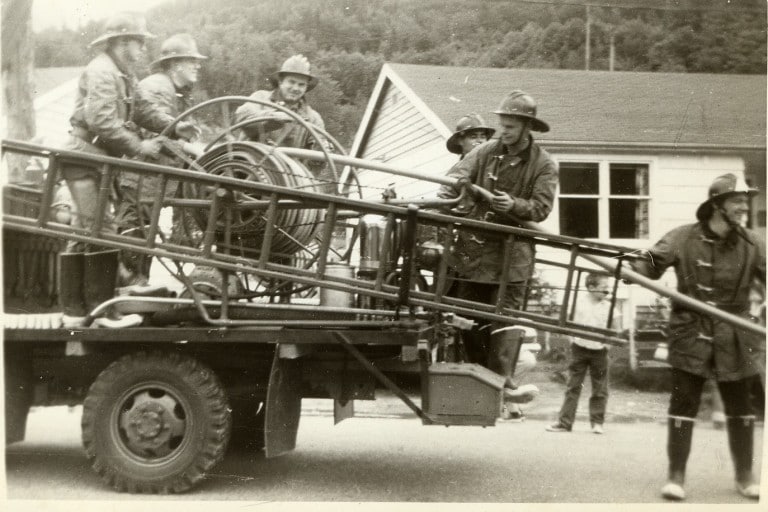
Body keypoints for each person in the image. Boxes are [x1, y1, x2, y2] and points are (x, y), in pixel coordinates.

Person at [630, 173, 765, 501]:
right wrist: (629, 270)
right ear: (717, 205)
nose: (743, 208)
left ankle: (745, 476)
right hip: (690, 330)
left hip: (735, 331)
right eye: (737, 202)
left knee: (740, 404)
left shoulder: (753, 244)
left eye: (745, 203)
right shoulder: (682, 238)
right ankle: (676, 476)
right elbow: (646, 265)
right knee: (684, 401)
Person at [59, 12, 198, 328]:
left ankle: (76, 313)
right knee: (101, 230)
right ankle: (101, 311)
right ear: (123, 42)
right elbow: (101, 120)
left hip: (95, 157)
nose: (143, 50)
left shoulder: (122, 75)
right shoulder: (102, 72)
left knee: (86, 232)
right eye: (139, 42)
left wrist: (175, 128)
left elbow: (143, 110)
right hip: (84, 156)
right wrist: (140, 147)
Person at [438, 90, 558, 400]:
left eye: (510, 127)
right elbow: (453, 180)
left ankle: (503, 382)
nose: (503, 132)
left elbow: (541, 208)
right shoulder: (486, 152)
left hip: (513, 253)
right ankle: (484, 383)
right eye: (501, 125)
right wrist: (459, 187)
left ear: (526, 127)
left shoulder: (544, 164)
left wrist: (515, 205)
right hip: (474, 252)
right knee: (469, 319)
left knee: (506, 320)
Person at [115, 33, 207, 288]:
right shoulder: (158, 87)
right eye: (192, 61)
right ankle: (130, 289)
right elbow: (153, 136)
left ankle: (136, 289)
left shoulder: (171, 90)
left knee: (142, 234)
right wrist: (194, 151)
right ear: (175, 64)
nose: (197, 65)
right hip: (143, 176)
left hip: (151, 177)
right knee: (136, 232)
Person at [234, 55, 333, 192]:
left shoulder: (313, 118)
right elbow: (242, 117)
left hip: (284, 185)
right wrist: (274, 118)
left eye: (301, 84)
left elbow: (316, 164)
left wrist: (322, 151)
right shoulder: (261, 98)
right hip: (245, 173)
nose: (295, 88)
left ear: (306, 88)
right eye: (291, 82)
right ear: (280, 82)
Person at [546, 273, 618, 434]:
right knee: (573, 386)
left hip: (600, 352)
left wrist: (607, 344)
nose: (607, 292)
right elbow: (567, 322)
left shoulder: (609, 306)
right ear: (591, 288)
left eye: (608, 289)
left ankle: (597, 423)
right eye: (604, 289)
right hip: (579, 349)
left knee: (600, 388)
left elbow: (616, 328)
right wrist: (571, 339)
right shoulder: (578, 303)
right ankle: (565, 423)